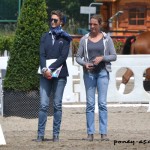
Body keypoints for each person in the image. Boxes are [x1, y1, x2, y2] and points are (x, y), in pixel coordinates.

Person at [76, 14, 117, 141]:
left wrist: (102, 58)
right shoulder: (84, 39)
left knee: (102, 103)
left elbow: (114, 56)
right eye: (91, 24)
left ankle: (103, 133)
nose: (92, 27)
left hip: (103, 73)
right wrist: (84, 64)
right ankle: (90, 133)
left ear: (100, 25)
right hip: (89, 74)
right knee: (90, 104)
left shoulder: (107, 39)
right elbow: (78, 57)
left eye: (95, 24)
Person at [36, 10, 72, 142]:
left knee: (57, 105)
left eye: (55, 20)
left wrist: (50, 69)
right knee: (43, 105)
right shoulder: (44, 36)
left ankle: (55, 134)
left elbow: (63, 57)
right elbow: (42, 54)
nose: (52, 22)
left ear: (61, 22)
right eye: (51, 20)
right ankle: (40, 134)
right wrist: (45, 69)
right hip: (45, 74)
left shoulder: (65, 38)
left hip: (60, 74)